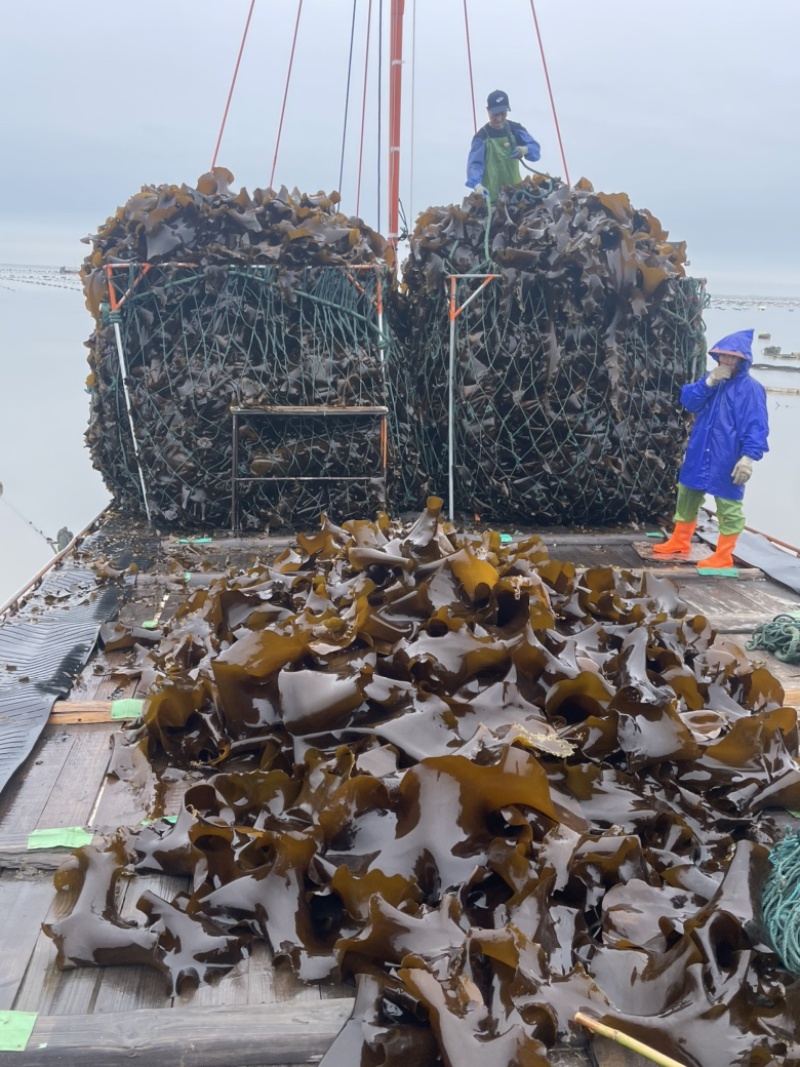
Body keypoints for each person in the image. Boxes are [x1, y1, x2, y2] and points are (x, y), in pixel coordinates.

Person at [654, 329, 769, 570]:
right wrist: (709, 381)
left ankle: (724, 555)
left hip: (728, 456)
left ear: (742, 359)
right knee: (687, 493)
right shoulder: (711, 380)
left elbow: (757, 426)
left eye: (732, 357)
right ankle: (679, 541)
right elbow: (689, 402)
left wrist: (748, 458)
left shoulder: (751, 389)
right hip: (699, 450)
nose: (727, 361)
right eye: (723, 356)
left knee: (728, 505)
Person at [466, 90, 541, 204]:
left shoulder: (515, 129)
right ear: (488, 110)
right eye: (495, 114)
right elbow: (475, 165)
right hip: (492, 198)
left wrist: (526, 150)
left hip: (516, 195)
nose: (499, 118)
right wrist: (477, 185)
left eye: (503, 113)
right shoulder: (481, 137)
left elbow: (535, 152)